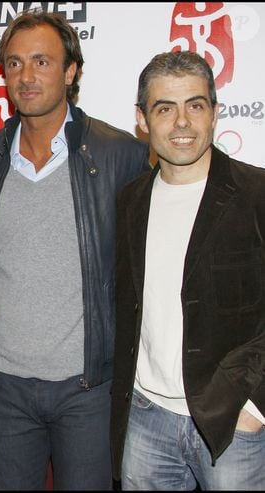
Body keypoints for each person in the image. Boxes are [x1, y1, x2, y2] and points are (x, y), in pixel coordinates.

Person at [0, 9, 150, 490]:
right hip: (6, 388)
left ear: (71, 72)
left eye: (42, 62)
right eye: (13, 63)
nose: (26, 76)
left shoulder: (120, 154)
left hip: (87, 391)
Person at [111, 50, 265, 490]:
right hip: (143, 419)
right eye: (165, 108)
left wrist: (254, 408)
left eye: (194, 105)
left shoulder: (257, 194)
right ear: (142, 119)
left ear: (215, 113)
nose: (181, 122)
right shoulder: (130, 200)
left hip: (230, 422)